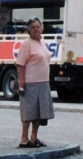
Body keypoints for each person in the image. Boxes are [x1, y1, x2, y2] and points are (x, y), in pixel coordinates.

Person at [16, 18, 55, 148]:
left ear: (42, 28)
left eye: (38, 26)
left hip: (43, 83)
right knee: (28, 112)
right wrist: (21, 84)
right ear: (28, 31)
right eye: (32, 27)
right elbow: (20, 65)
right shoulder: (27, 44)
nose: (36, 29)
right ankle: (24, 139)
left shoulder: (42, 42)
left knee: (39, 113)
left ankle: (34, 138)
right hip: (30, 82)